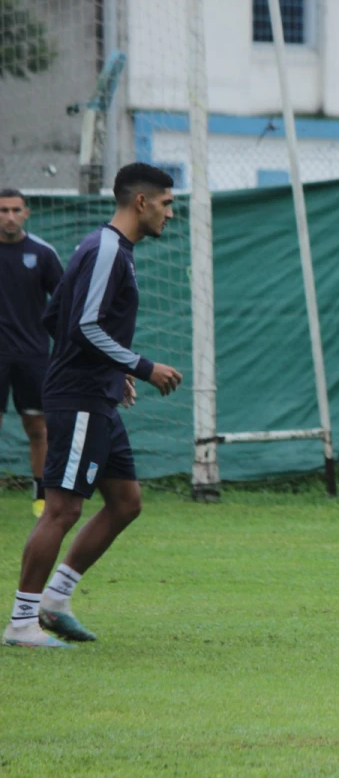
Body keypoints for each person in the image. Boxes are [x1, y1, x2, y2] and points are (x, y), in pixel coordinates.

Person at [4, 163, 184, 648]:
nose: (173, 211)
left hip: (96, 392)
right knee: (61, 509)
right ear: (141, 202)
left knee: (125, 503)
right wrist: (141, 366)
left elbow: (53, 314)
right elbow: (82, 326)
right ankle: (22, 622)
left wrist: (115, 369)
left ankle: (55, 601)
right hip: (80, 398)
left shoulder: (109, 249)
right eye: (167, 203)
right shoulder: (106, 249)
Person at [0, 189, 65, 518]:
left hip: (33, 356)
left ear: (26, 212)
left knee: (38, 428)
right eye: (2, 210)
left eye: (15, 210)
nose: (9, 217)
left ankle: (41, 493)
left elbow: (66, 303)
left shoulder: (42, 253)